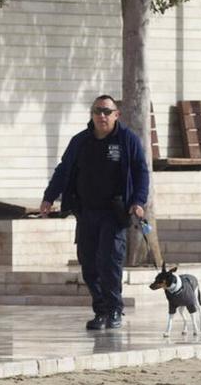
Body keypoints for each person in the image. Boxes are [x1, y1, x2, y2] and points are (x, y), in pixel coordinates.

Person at [40, 94, 151, 331]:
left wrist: (138, 201)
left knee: (109, 262)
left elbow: (141, 172)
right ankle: (100, 311)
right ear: (91, 114)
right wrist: (49, 196)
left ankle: (114, 310)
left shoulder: (127, 140)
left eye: (107, 112)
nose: (102, 116)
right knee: (89, 263)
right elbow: (63, 170)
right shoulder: (80, 141)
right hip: (86, 212)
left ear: (116, 115)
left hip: (114, 212)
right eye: (98, 111)